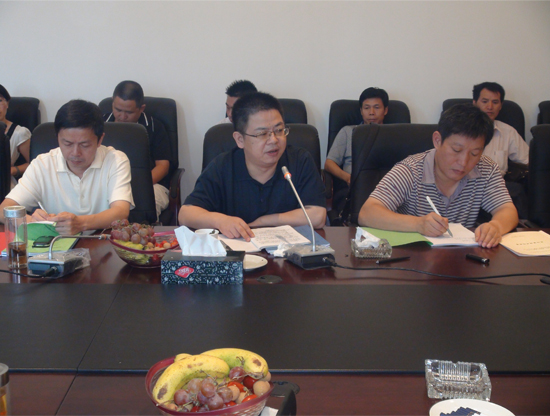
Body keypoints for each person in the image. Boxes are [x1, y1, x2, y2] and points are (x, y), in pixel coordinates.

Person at [359, 104, 518, 248]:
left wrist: (496, 226)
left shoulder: (486, 169)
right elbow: (367, 213)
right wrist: (418, 224)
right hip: (414, 258)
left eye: (475, 153)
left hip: (464, 259)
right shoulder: (411, 170)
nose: (464, 162)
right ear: (437, 140)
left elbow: (506, 209)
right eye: (456, 150)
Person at [180, 92, 326, 241]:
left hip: (289, 251)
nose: (274, 140)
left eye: (279, 130)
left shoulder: (300, 160)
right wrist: (220, 220)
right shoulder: (222, 166)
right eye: (262, 134)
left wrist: (264, 221)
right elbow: (186, 214)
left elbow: (317, 215)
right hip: (238, 251)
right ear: (240, 139)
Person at [0, 99, 134, 234]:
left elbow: (121, 212)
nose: (75, 153)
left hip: (101, 241)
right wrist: (32, 222)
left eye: (84, 145)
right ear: (58, 138)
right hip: (56, 243)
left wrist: (80, 223)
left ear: (100, 140)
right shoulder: (42, 165)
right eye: (67, 144)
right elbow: (3, 210)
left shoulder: (115, 160)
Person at [104, 80, 172, 220]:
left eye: (129, 112)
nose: (122, 117)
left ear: (141, 108)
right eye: (118, 110)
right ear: (112, 103)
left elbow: (163, 166)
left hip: (150, 184)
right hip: (108, 184)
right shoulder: (100, 124)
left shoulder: (154, 127)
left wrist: (139, 185)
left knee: (142, 211)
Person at [324, 87, 389, 214]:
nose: (371, 112)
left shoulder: (395, 135)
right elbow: (329, 164)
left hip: (386, 190)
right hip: (353, 189)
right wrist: (348, 178)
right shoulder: (348, 132)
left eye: (376, 107)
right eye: (366, 108)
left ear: (385, 110)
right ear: (361, 111)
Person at [472, 82, 529, 176]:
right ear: (474, 103)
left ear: (501, 106)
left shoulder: (508, 132)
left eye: (495, 102)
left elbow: (528, 161)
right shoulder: (460, 129)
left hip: (498, 183)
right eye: (485, 101)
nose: (490, 107)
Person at [0, 84, 31, 188]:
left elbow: (35, 163)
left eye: (0, 101)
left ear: (7, 104)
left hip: (4, 185)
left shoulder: (19, 133)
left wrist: (13, 170)